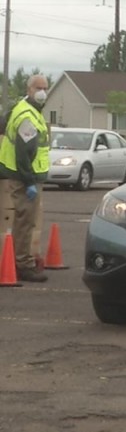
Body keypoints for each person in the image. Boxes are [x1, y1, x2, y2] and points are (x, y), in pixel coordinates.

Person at [0, 75, 51, 282]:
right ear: (29, 89)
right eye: (38, 87)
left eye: (46, 88)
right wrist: (29, 182)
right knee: (25, 221)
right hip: (23, 178)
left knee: (25, 220)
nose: (42, 91)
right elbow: (23, 153)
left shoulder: (27, 110)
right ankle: (23, 264)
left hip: (22, 175)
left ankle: (19, 261)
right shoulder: (27, 116)